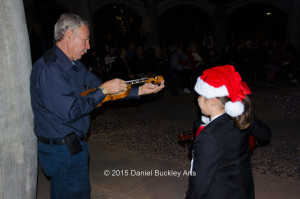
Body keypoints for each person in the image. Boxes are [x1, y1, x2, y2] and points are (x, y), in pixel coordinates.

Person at [30, 13, 164, 199]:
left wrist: (139, 91)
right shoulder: (50, 68)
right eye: (85, 40)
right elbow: (71, 111)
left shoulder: (74, 65)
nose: (88, 46)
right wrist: (103, 90)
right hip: (61, 151)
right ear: (69, 36)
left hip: (72, 147)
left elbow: (103, 90)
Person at [185, 65, 252, 199]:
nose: (197, 99)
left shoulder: (209, 138)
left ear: (211, 101)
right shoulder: (238, 120)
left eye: (199, 95)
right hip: (238, 189)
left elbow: (200, 183)